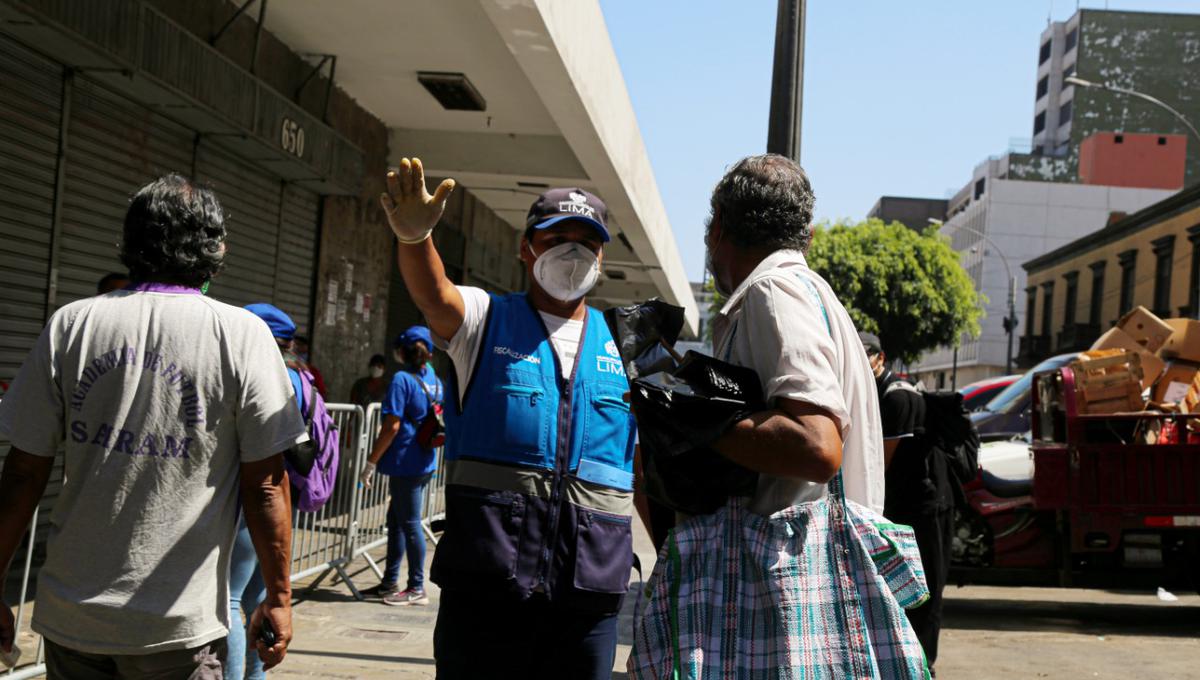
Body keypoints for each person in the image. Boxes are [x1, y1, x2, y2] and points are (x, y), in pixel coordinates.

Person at [0, 174, 302, 678]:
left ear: (130, 242)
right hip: (177, 628)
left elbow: (22, 474)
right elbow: (267, 484)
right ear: (215, 248)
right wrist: (279, 597)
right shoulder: (242, 335)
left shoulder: (73, 324)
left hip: (74, 617)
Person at [379, 159, 637, 679]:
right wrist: (415, 238)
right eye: (557, 237)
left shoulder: (628, 346)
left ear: (602, 255)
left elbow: (641, 466)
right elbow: (435, 296)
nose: (573, 251)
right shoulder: (485, 318)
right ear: (527, 249)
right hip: (488, 587)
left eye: (587, 241)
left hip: (587, 595)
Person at [226, 303, 313, 680]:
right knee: (258, 598)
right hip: (281, 498)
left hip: (256, 499)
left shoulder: (268, 375)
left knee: (228, 599)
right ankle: (256, 676)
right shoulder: (301, 376)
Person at [861, 330, 951, 674]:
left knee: (924, 590)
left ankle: (923, 665)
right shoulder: (877, 393)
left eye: (865, 355)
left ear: (880, 358)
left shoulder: (897, 398)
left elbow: (877, 466)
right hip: (906, 503)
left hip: (927, 505)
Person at [358, 326, 444, 606]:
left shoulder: (401, 380)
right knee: (395, 522)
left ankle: (417, 587)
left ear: (402, 352)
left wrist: (371, 461)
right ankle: (389, 582)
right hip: (424, 460)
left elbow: (391, 425)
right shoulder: (434, 378)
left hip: (406, 461)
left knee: (409, 524)